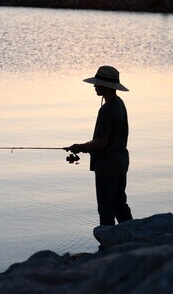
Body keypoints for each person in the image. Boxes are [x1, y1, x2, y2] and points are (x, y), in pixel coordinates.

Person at [65, 65, 133, 226]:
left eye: (97, 83)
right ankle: (133, 236)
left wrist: (79, 147)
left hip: (108, 165)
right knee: (119, 203)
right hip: (120, 162)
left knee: (106, 208)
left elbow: (102, 142)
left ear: (106, 86)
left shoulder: (107, 109)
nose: (94, 86)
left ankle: (107, 246)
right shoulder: (119, 103)